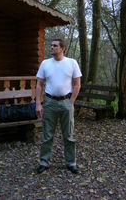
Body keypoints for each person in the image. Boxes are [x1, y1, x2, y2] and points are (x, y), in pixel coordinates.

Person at [35, 38, 82, 174]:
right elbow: (39, 84)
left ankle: (71, 162)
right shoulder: (45, 64)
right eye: (51, 45)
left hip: (66, 102)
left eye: (55, 46)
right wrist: (38, 103)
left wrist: (71, 101)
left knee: (69, 135)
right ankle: (44, 162)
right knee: (47, 135)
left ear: (62, 48)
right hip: (49, 103)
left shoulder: (72, 63)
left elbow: (77, 84)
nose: (52, 47)